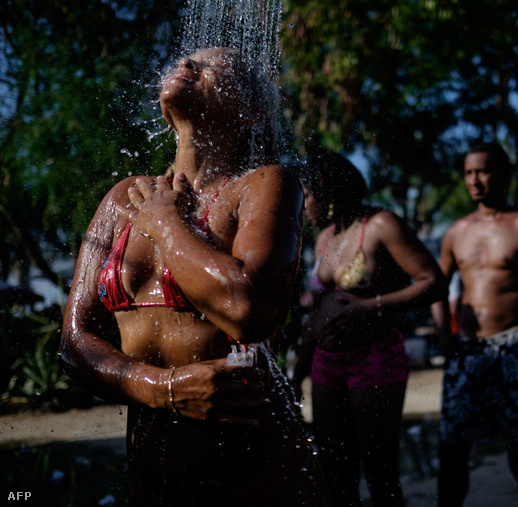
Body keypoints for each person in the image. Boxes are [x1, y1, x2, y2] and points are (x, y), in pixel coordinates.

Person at [60, 48, 328, 505]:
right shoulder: (124, 197)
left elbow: (247, 311)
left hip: (259, 481)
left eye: (214, 64)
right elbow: (74, 342)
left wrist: (165, 222)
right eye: (187, 59)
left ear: (251, 111)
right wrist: (161, 388)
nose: (188, 63)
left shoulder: (265, 184)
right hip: (150, 484)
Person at [294, 150, 447, 507]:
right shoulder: (324, 239)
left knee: (379, 470)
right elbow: (316, 316)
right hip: (326, 364)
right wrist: (299, 371)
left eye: (307, 195)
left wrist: (370, 305)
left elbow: (433, 282)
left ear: (326, 190)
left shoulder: (381, 225)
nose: (303, 205)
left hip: (375, 359)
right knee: (334, 468)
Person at [432, 142, 518, 507]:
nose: (474, 180)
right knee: (453, 448)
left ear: (503, 173)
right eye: (469, 172)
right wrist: (443, 333)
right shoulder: (456, 232)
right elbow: (437, 288)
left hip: (516, 346)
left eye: (483, 171)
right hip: (468, 351)